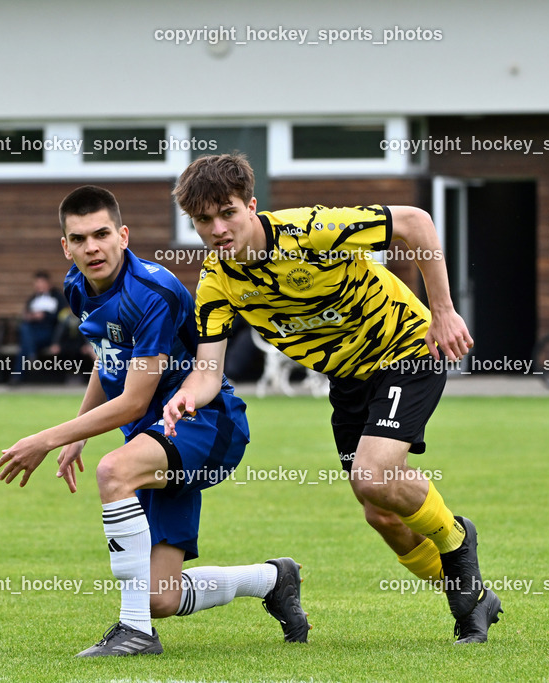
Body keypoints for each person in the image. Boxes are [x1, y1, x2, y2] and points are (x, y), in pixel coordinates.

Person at [162, 153, 503, 643]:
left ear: (251, 206)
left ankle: (456, 541)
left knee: (372, 474)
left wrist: (443, 311)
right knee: (380, 510)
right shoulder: (217, 283)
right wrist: (185, 399)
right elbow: (207, 372)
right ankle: (472, 593)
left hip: (406, 348)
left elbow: (417, 223)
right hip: (348, 380)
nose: (218, 228)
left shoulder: (311, 231)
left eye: (228, 212)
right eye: (203, 220)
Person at [0, 186, 308, 657]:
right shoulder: (77, 286)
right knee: (160, 597)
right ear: (66, 246)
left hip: (204, 423)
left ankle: (133, 632)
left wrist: (45, 438)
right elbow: (109, 361)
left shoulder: (153, 291)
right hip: (154, 434)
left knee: (114, 471)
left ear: (123, 235)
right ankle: (273, 579)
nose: (92, 247)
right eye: (79, 239)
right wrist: (79, 433)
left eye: (102, 234)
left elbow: (133, 399)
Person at [10, 271, 64, 384]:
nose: (39, 285)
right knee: (25, 329)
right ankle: (31, 355)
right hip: (33, 331)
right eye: (37, 283)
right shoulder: (33, 298)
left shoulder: (58, 297)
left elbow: (62, 317)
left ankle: (17, 376)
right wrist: (30, 316)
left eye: (41, 282)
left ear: (48, 283)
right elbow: (25, 314)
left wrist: (45, 315)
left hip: (49, 332)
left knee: (25, 344)